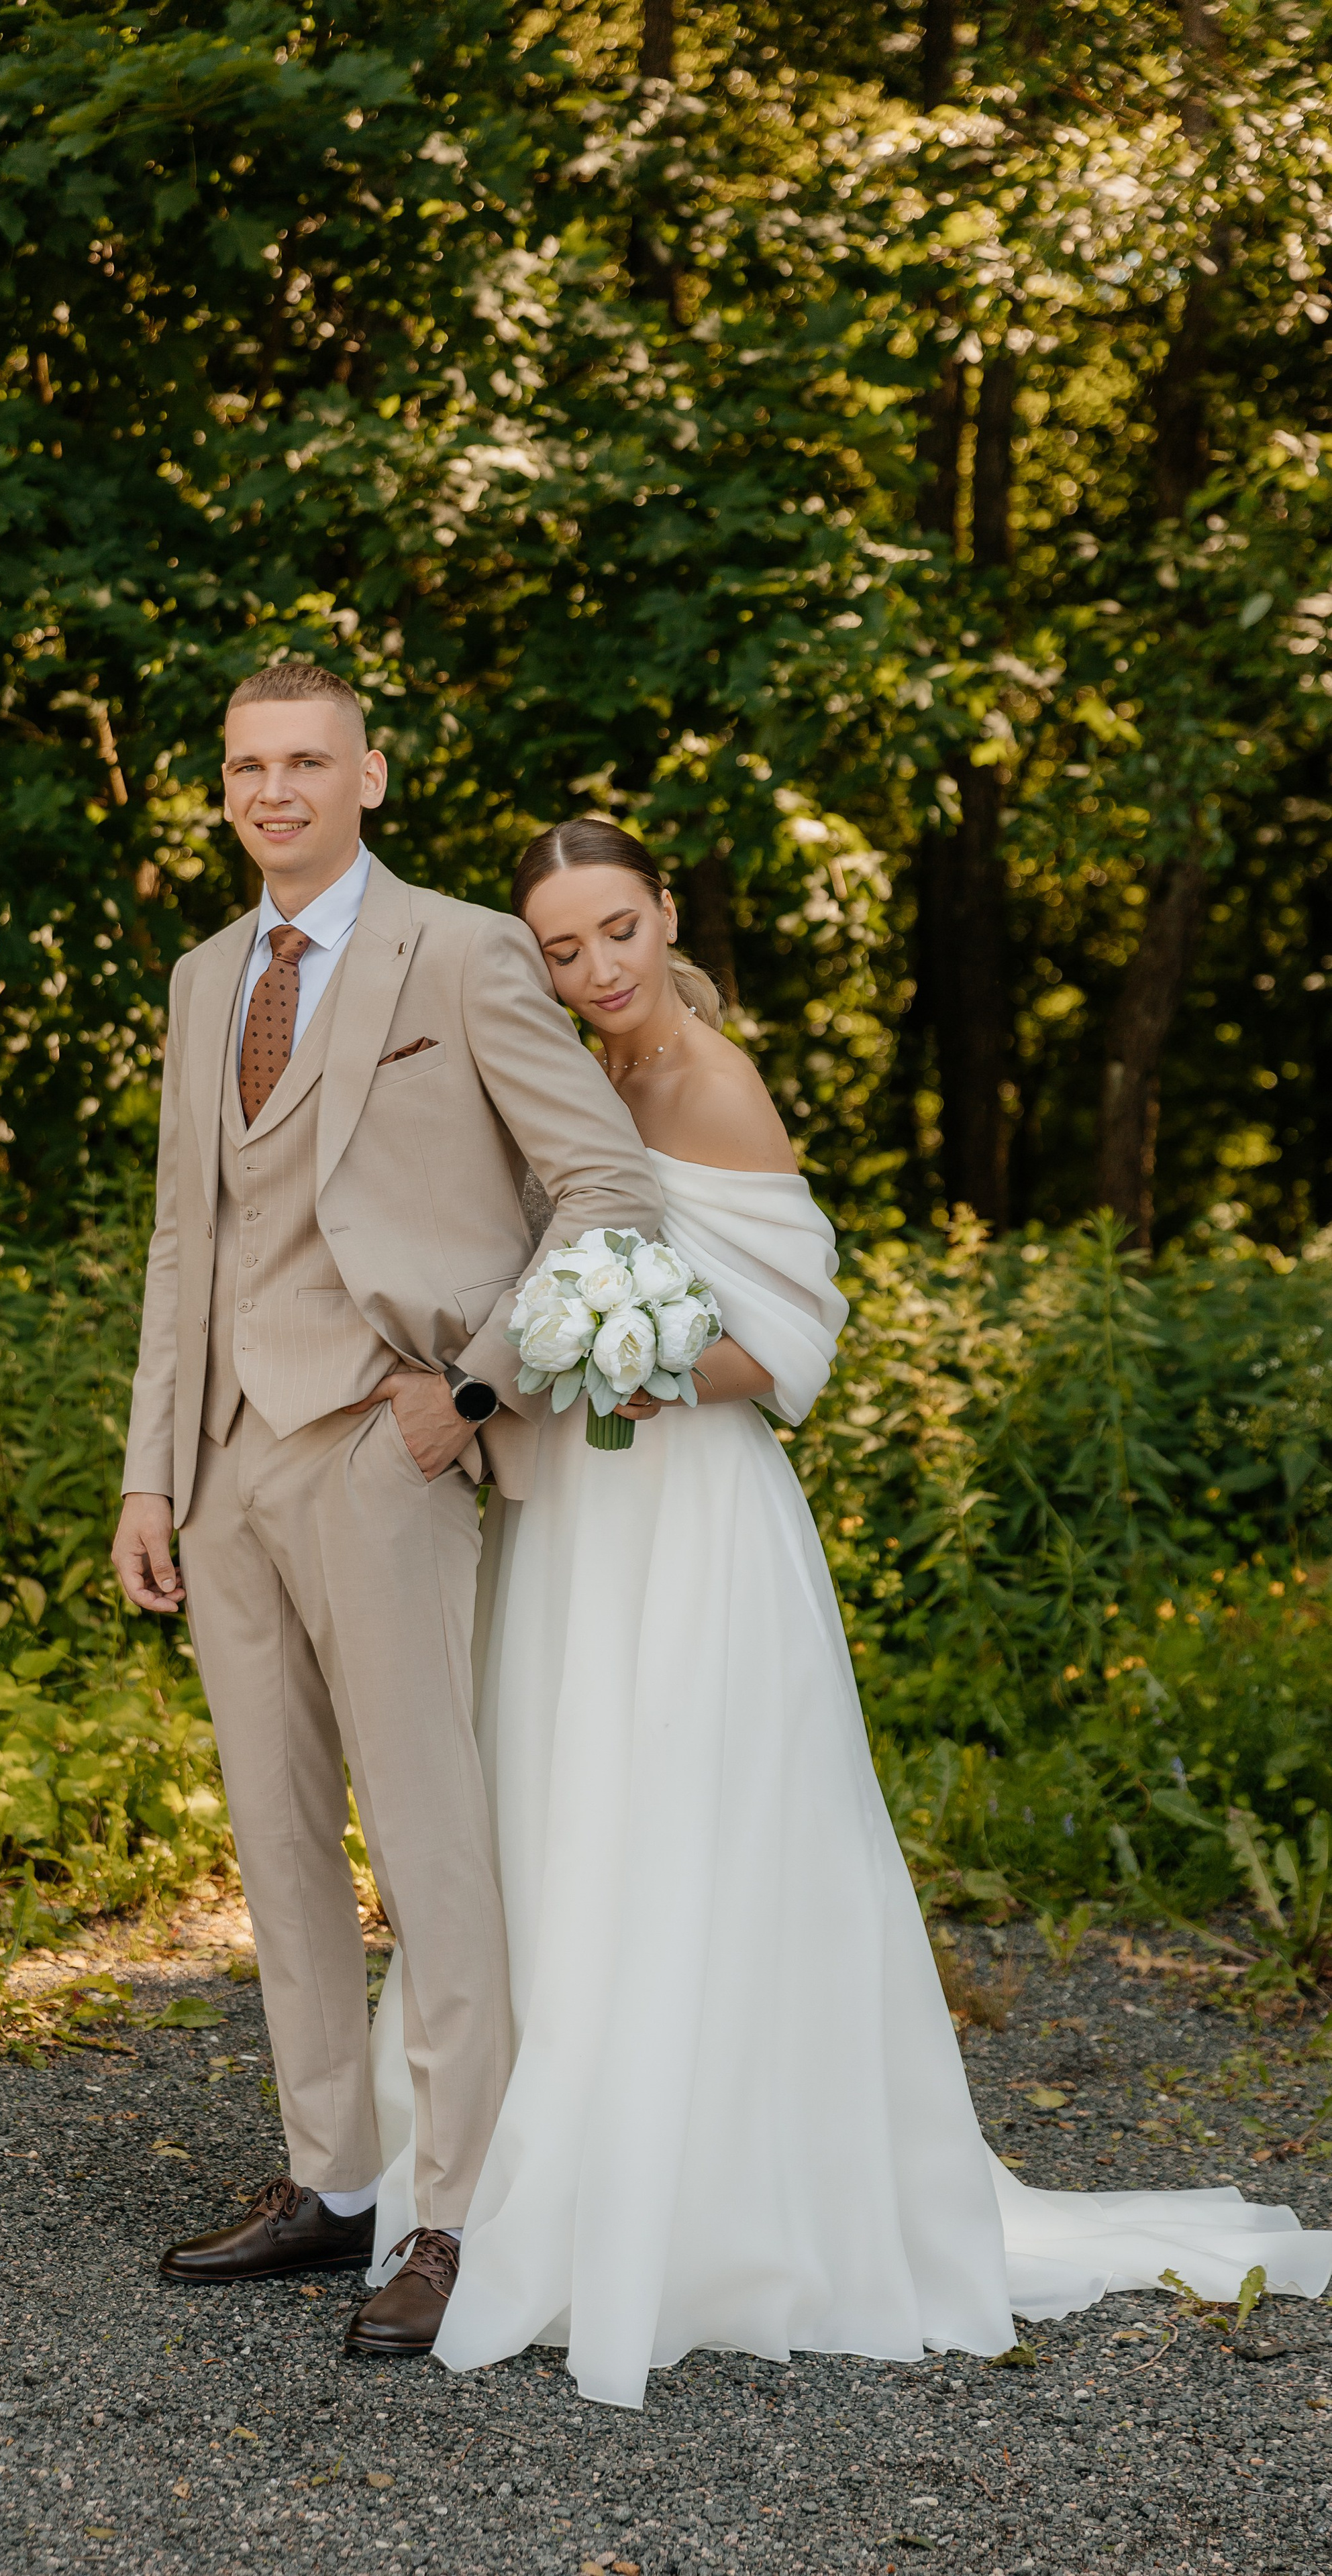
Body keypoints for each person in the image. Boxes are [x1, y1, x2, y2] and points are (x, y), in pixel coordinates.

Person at [368, 814, 1332, 2408]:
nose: (596, 969)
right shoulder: (573, 1085)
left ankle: (709, 2207)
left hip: (688, 1519)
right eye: (560, 948)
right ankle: (514, 2180)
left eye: (618, 930)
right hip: (570, 1521)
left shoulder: (711, 1086)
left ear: (667, 915)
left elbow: (794, 1344)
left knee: (684, 1832)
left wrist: (627, 1355)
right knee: (553, 1821)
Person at [110, 676, 665, 2357]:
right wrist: (149, 1469)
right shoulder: (208, 976)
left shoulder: (463, 951)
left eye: (303, 764)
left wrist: (477, 1387)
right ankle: (328, 2179)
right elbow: (181, 1247)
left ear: (366, 775)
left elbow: (607, 1188)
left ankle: (455, 2214)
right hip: (224, 1465)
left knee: (428, 1840)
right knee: (275, 1843)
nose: (272, 792)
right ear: (224, 791)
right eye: (244, 769)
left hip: (385, 1440)